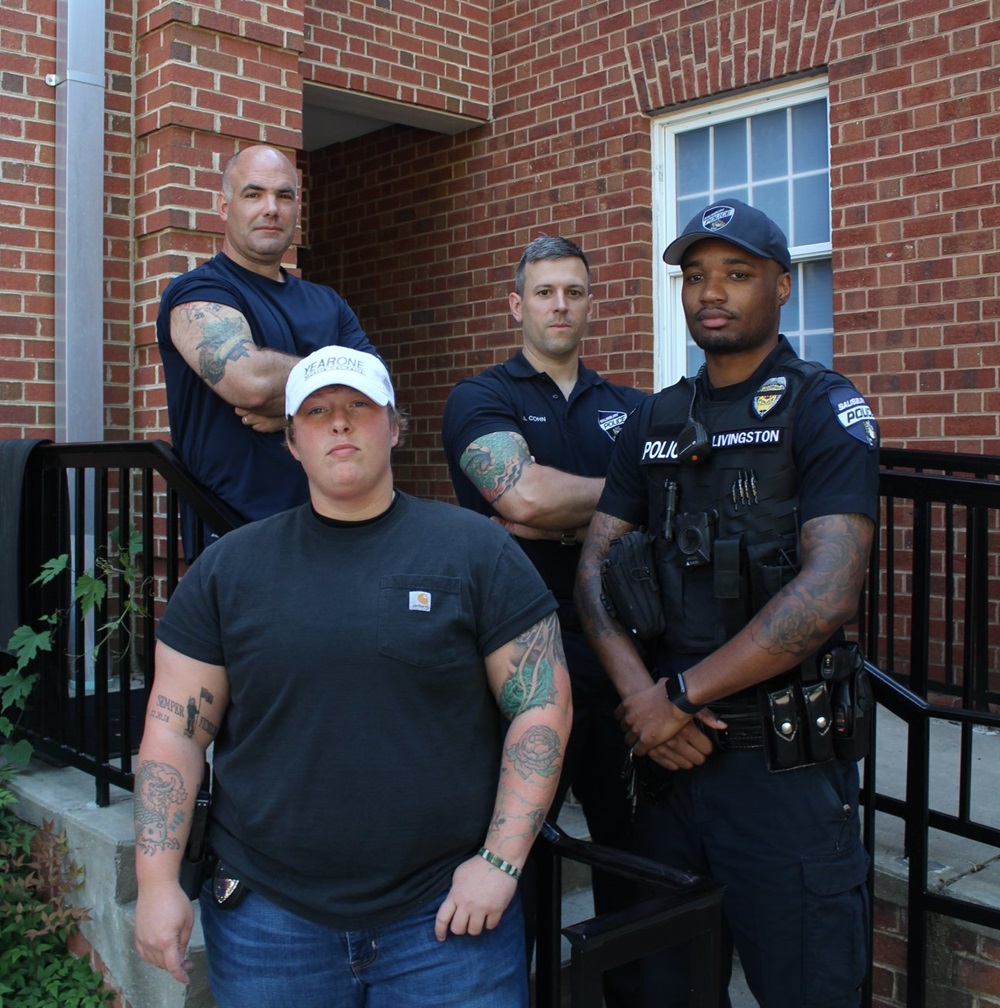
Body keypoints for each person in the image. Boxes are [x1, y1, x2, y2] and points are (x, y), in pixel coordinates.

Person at [133, 346, 573, 1008]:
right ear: (291, 441)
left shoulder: (476, 552)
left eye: (358, 408)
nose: (339, 424)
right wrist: (158, 882)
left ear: (395, 426)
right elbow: (174, 735)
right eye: (317, 412)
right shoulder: (229, 571)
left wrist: (500, 862)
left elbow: (542, 707)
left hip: (447, 918)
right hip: (269, 922)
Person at [574, 199, 879, 1008]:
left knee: (808, 985)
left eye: (737, 275)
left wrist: (678, 696)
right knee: (666, 988)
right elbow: (596, 568)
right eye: (696, 276)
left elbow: (829, 591)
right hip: (670, 770)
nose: (712, 292)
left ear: (782, 286)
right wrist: (643, 700)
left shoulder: (823, 408)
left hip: (780, 771)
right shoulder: (654, 419)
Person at [442, 234, 646, 1005]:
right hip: (514, 663)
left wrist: (557, 509)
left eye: (575, 291)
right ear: (516, 304)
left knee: (631, 852)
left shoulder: (633, 407)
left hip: (619, 656)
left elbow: (543, 508)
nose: (560, 304)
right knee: (513, 848)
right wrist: (621, 497)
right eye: (545, 291)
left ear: (591, 303)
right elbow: (521, 497)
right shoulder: (481, 397)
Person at [156, 144, 376, 546]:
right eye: (254, 194)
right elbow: (250, 383)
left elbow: (380, 395)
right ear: (225, 208)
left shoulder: (328, 302)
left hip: (337, 528)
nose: (271, 208)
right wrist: (335, 394)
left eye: (284, 195)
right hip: (234, 536)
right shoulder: (198, 291)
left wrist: (295, 413)